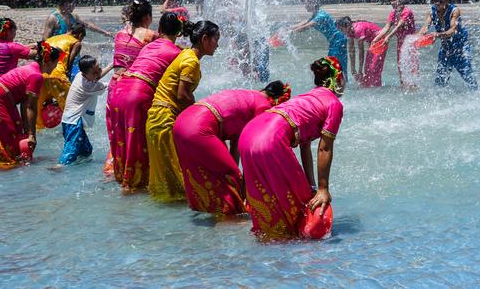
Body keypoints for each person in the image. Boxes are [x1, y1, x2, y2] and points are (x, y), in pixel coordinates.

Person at [239, 57, 344, 240]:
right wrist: (323, 189)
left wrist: (312, 187)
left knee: (269, 215)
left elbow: (305, 147)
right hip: (270, 140)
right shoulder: (334, 104)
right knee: (299, 210)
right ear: (339, 80)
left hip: (248, 134)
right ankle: (294, 258)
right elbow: (324, 149)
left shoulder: (305, 98)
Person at [173, 81, 291, 216]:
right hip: (198, 127)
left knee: (202, 175)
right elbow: (251, 151)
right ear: (277, 102)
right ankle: (230, 223)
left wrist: (236, 175)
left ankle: (208, 213)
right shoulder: (264, 106)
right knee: (231, 180)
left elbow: (236, 145)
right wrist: (245, 186)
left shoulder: (248, 95)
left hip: (181, 123)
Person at [146, 20, 220, 202]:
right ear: (204, 39)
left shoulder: (186, 54)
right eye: (216, 39)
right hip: (164, 119)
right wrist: (201, 111)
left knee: (169, 186)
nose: (218, 45)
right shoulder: (191, 61)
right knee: (178, 182)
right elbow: (182, 94)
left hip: (158, 117)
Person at [109, 12, 183, 192]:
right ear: (179, 33)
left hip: (117, 91)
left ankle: (122, 178)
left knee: (124, 142)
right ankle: (132, 189)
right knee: (139, 143)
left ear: (158, 30)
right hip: (137, 94)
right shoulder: (178, 53)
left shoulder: (149, 45)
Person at [103, 0, 158, 175]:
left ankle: (113, 169)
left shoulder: (120, 33)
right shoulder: (149, 35)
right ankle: (137, 176)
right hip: (132, 86)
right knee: (137, 134)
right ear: (148, 17)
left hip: (114, 88)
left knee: (118, 132)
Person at [0, 42, 61, 168]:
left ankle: (12, 161)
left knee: (16, 132)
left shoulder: (32, 67)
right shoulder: (36, 76)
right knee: (9, 139)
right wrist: (32, 135)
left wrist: (26, 131)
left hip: (1, 97)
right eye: (56, 63)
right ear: (49, 61)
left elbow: (24, 103)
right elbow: (31, 107)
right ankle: (5, 168)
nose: (56, 67)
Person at [417, 0, 478, 90]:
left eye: (440, 1)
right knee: (440, 81)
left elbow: (452, 30)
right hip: (446, 48)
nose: (436, 3)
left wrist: (438, 35)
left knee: (467, 76)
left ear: (447, 1)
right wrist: (416, 37)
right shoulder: (432, 12)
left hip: (460, 48)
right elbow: (425, 27)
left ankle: (477, 96)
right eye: (434, 0)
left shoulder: (454, 11)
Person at [58, 56, 113, 165]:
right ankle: (58, 167)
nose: (98, 73)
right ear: (85, 73)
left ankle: (78, 167)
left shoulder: (80, 75)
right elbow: (111, 85)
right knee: (71, 151)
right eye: (94, 72)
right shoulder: (88, 86)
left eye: (99, 69)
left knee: (86, 151)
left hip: (70, 120)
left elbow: (96, 78)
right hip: (73, 122)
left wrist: (111, 66)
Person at [36, 23, 86, 129]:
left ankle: (37, 131)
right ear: (80, 35)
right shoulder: (76, 42)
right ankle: (80, 130)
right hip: (58, 76)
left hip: (42, 75)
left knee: (38, 110)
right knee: (73, 107)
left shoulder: (50, 39)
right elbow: (70, 62)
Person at [292, 0, 348, 80]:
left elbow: (306, 26)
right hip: (335, 40)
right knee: (336, 63)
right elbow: (304, 22)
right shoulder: (316, 14)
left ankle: (341, 83)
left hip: (338, 40)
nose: (305, 5)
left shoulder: (320, 16)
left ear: (313, 3)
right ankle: (341, 82)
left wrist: (291, 32)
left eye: (306, 3)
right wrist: (289, 28)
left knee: (334, 63)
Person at [372, 0, 417, 87]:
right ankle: (403, 88)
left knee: (410, 69)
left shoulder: (407, 12)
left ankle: (413, 89)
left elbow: (398, 26)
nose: (392, 3)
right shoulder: (393, 13)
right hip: (400, 44)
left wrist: (388, 37)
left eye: (394, 0)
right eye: (390, 1)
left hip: (409, 45)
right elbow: (387, 27)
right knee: (401, 68)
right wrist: (376, 38)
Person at [337, 16, 386, 87]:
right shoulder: (349, 31)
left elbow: (361, 52)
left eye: (341, 29)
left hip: (381, 40)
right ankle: (368, 86)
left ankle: (376, 88)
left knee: (373, 68)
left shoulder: (358, 30)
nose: (341, 31)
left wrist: (359, 70)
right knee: (367, 69)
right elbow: (351, 51)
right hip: (373, 43)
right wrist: (353, 69)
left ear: (347, 26)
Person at [42, 0, 112, 40]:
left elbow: (87, 25)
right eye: (73, 4)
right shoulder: (53, 18)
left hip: (72, 52)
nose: (74, 7)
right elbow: (45, 39)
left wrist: (105, 32)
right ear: (65, 3)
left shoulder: (73, 17)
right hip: (58, 54)